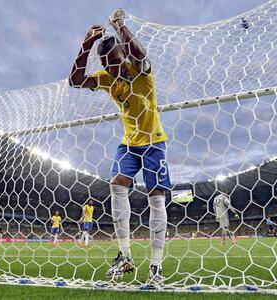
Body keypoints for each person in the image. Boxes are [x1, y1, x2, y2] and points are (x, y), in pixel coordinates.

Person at [69, 8, 170, 287]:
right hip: (128, 143)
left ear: (123, 55)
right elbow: (75, 80)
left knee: (156, 197)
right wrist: (87, 43)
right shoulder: (107, 78)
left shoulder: (140, 71)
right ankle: (124, 255)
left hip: (154, 142)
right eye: (107, 63)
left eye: (115, 61)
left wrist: (119, 26)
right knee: (116, 183)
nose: (112, 68)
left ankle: (156, 267)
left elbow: (140, 55)